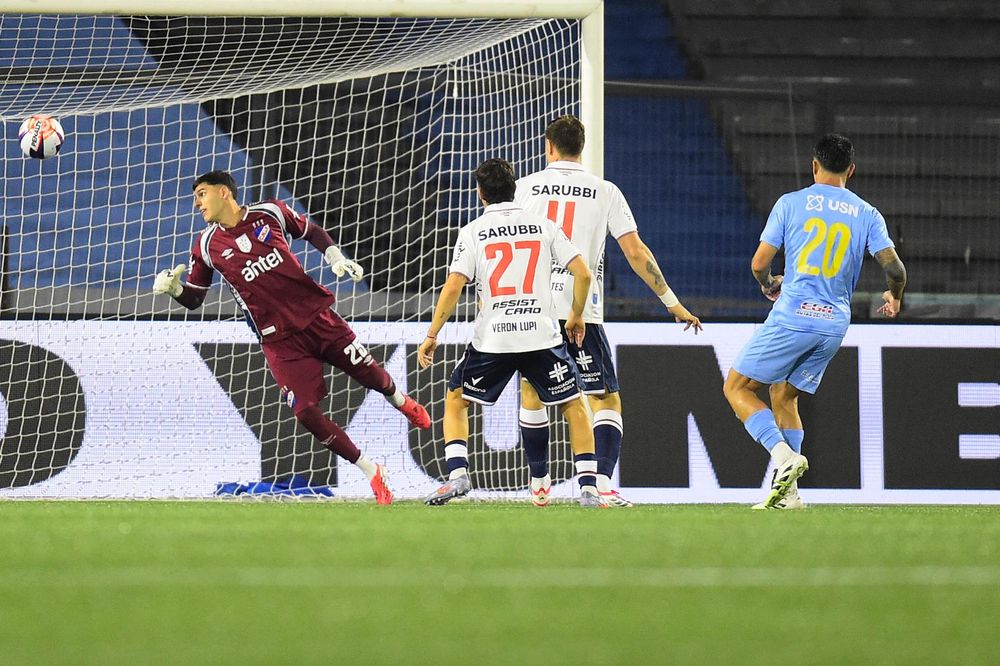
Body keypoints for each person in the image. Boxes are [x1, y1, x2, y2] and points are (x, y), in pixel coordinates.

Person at [152, 170, 431, 505]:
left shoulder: (270, 212)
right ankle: (372, 470)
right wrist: (175, 289)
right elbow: (195, 297)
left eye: (201, 194)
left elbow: (310, 230)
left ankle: (402, 401)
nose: (197, 203)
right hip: (279, 341)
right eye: (196, 197)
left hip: (318, 317)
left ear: (224, 192)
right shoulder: (207, 245)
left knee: (372, 376)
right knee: (304, 413)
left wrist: (335, 256)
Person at [513, 115, 702, 508]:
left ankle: (539, 482)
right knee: (604, 399)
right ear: (582, 148)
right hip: (582, 310)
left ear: (549, 146)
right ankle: (600, 485)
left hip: (532, 306)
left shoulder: (523, 188)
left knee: (532, 389)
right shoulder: (605, 191)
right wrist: (673, 302)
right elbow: (635, 252)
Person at [722, 134, 906, 510]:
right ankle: (788, 496)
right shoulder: (867, 213)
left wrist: (769, 283)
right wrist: (894, 296)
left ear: (814, 165)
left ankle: (783, 457)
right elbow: (895, 268)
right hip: (834, 324)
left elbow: (759, 263)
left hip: (794, 315)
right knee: (783, 394)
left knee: (737, 388)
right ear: (851, 170)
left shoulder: (791, 203)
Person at [417, 157, 602, 507]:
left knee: (457, 398)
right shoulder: (543, 225)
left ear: (480, 193)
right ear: (514, 189)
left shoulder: (473, 231)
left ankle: (458, 476)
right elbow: (583, 274)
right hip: (540, 334)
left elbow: (454, 284)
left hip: (494, 338)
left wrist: (432, 334)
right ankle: (589, 487)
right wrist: (576, 316)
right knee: (574, 405)